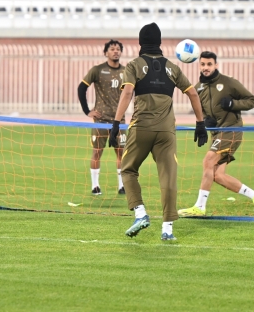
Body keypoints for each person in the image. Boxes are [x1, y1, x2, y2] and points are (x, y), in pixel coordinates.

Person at [108, 22, 207, 242]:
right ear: (160, 43)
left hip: (141, 127)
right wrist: (200, 124)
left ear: (141, 43)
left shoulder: (134, 65)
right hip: (166, 131)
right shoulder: (173, 67)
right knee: (168, 178)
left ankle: (140, 213)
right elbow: (192, 94)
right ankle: (168, 229)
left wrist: (116, 123)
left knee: (128, 169)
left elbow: (127, 94)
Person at [178, 51, 254, 217]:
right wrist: (204, 121)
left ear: (216, 65)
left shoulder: (228, 82)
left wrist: (233, 103)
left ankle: (200, 207)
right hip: (217, 134)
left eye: (209, 64)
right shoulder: (198, 88)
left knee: (208, 161)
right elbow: (200, 111)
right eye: (203, 64)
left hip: (232, 130)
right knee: (217, 175)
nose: (206, 67)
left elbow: (251, 100)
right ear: (199, 65)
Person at [78, 39, 126, 196]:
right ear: (106, 53)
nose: (115, 51)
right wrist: (87, 111)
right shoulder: (97, 70)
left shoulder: (126, 72)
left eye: (118, 49)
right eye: (112, 49)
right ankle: (95, 186)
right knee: (97, 151)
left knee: (121, 152)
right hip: (101, 121)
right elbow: (81, 88)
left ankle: (122, 186)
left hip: (120, 122)